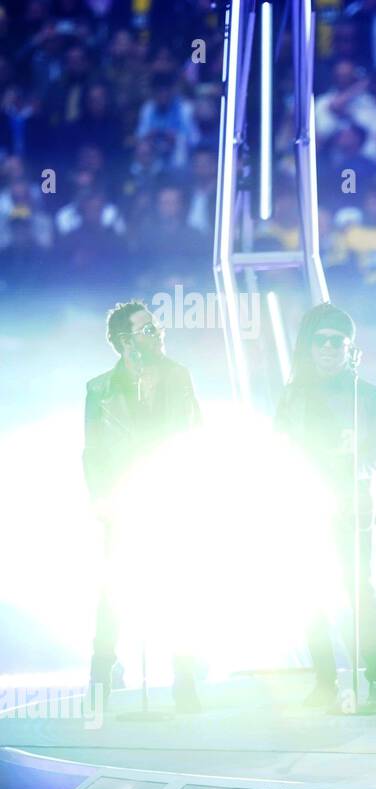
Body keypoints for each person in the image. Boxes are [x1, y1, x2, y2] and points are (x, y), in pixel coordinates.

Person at [274, 303, 376, 713]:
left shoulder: (369, 395)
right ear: (310, 347)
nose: (327, 348)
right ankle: (324, 682)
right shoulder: (293, 396)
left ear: (349, 347)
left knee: (359, 593)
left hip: (351, 507)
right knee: (309, 595)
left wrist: (354, 467)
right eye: (319, 341)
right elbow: (280, 446)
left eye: (336, 341)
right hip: (304, 509)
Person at [85, 300, 202, 711]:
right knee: (114, 589)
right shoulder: (99, 390)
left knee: (178, 587)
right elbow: (92, 453)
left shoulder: (178, 376)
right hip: (122, 502)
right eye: (147, 330)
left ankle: (185, 681)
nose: (158, 334)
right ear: (124, 342)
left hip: (170, 498)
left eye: (156, 327)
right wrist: (101, 499)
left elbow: (195, 436)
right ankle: (101, 676)